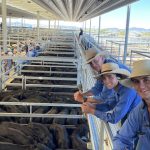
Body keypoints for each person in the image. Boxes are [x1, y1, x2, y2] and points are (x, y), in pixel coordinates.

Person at [113, 59, 150, 150]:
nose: (141, 86)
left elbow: (114, 117)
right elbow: (121, 138)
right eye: (136, 81)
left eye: (146, 79)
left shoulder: (127, 93)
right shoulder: (140, 110)